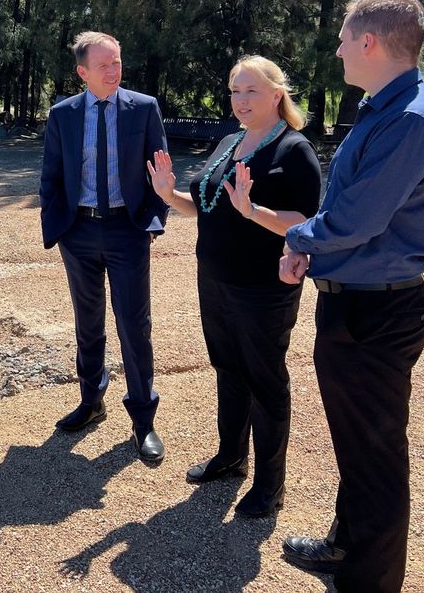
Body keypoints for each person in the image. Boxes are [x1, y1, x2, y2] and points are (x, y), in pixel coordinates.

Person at [279, 0, 424, 592]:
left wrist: (299, 238)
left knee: (375, 458)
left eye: (343, 38)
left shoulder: (408, 119)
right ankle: (344, 546)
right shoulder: (388, 108)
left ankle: (369, 583)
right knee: (359, 445)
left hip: (374, 310)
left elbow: (354, 220)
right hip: (360, 303)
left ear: (370, 43)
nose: (337, 49)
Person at [146, 55, 321, 518]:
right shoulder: (230, 141)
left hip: (263, 287)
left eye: (252, 91)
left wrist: (254, 213)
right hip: (216, 279)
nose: (241, 101)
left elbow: (304, 223)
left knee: (265, 380)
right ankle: (231, 457)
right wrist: (168, 195)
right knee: (227, 368)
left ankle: (270, 485)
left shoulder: (293, 150)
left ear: (276, 95)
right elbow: (205, 206)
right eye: (234, 91)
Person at [39, 31, 169, 463]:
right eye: (103, 65)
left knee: (135, 325)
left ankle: (143, 420)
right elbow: (51, 177)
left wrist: (151, 222)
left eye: (117, 62)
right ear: (82, 72)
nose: (114, 71)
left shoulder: (144, 108)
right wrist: (59, 227)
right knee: (88, 322)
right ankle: (92, 400)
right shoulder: (63, 115)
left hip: (125, 230)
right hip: (79, 232)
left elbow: (160, 170)